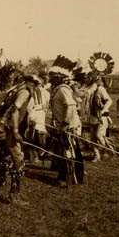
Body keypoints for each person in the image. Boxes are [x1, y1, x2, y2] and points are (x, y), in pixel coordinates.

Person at [0, 63, 38, 204]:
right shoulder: (25, 91)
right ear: (30, 82)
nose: (35, 87)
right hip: (7, 129)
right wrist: (16, 132)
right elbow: (15, 109)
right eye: (35, 84)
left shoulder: (16, 89)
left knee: (6, 159)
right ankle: (14, 195)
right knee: (18, 160)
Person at [48, 55, 85, 187]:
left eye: (52, 76)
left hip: (68, 126)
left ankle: (67, 178)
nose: (49, 78)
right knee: (65, 151)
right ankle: (70, 176)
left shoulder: (63, 89)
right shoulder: (58, 89)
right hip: (64, 125)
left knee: (69, 151)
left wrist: (65, 124)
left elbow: (70, 106)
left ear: (58, 77)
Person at [25, 74, 50, 165]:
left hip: (38, 114)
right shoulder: (33, 93)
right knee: (33, 134)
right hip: (35, 113)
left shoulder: (44, 93)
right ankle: (35, 155)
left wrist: (44, 108)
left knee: (36, 134)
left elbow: (46, 104)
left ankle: (38, 154)